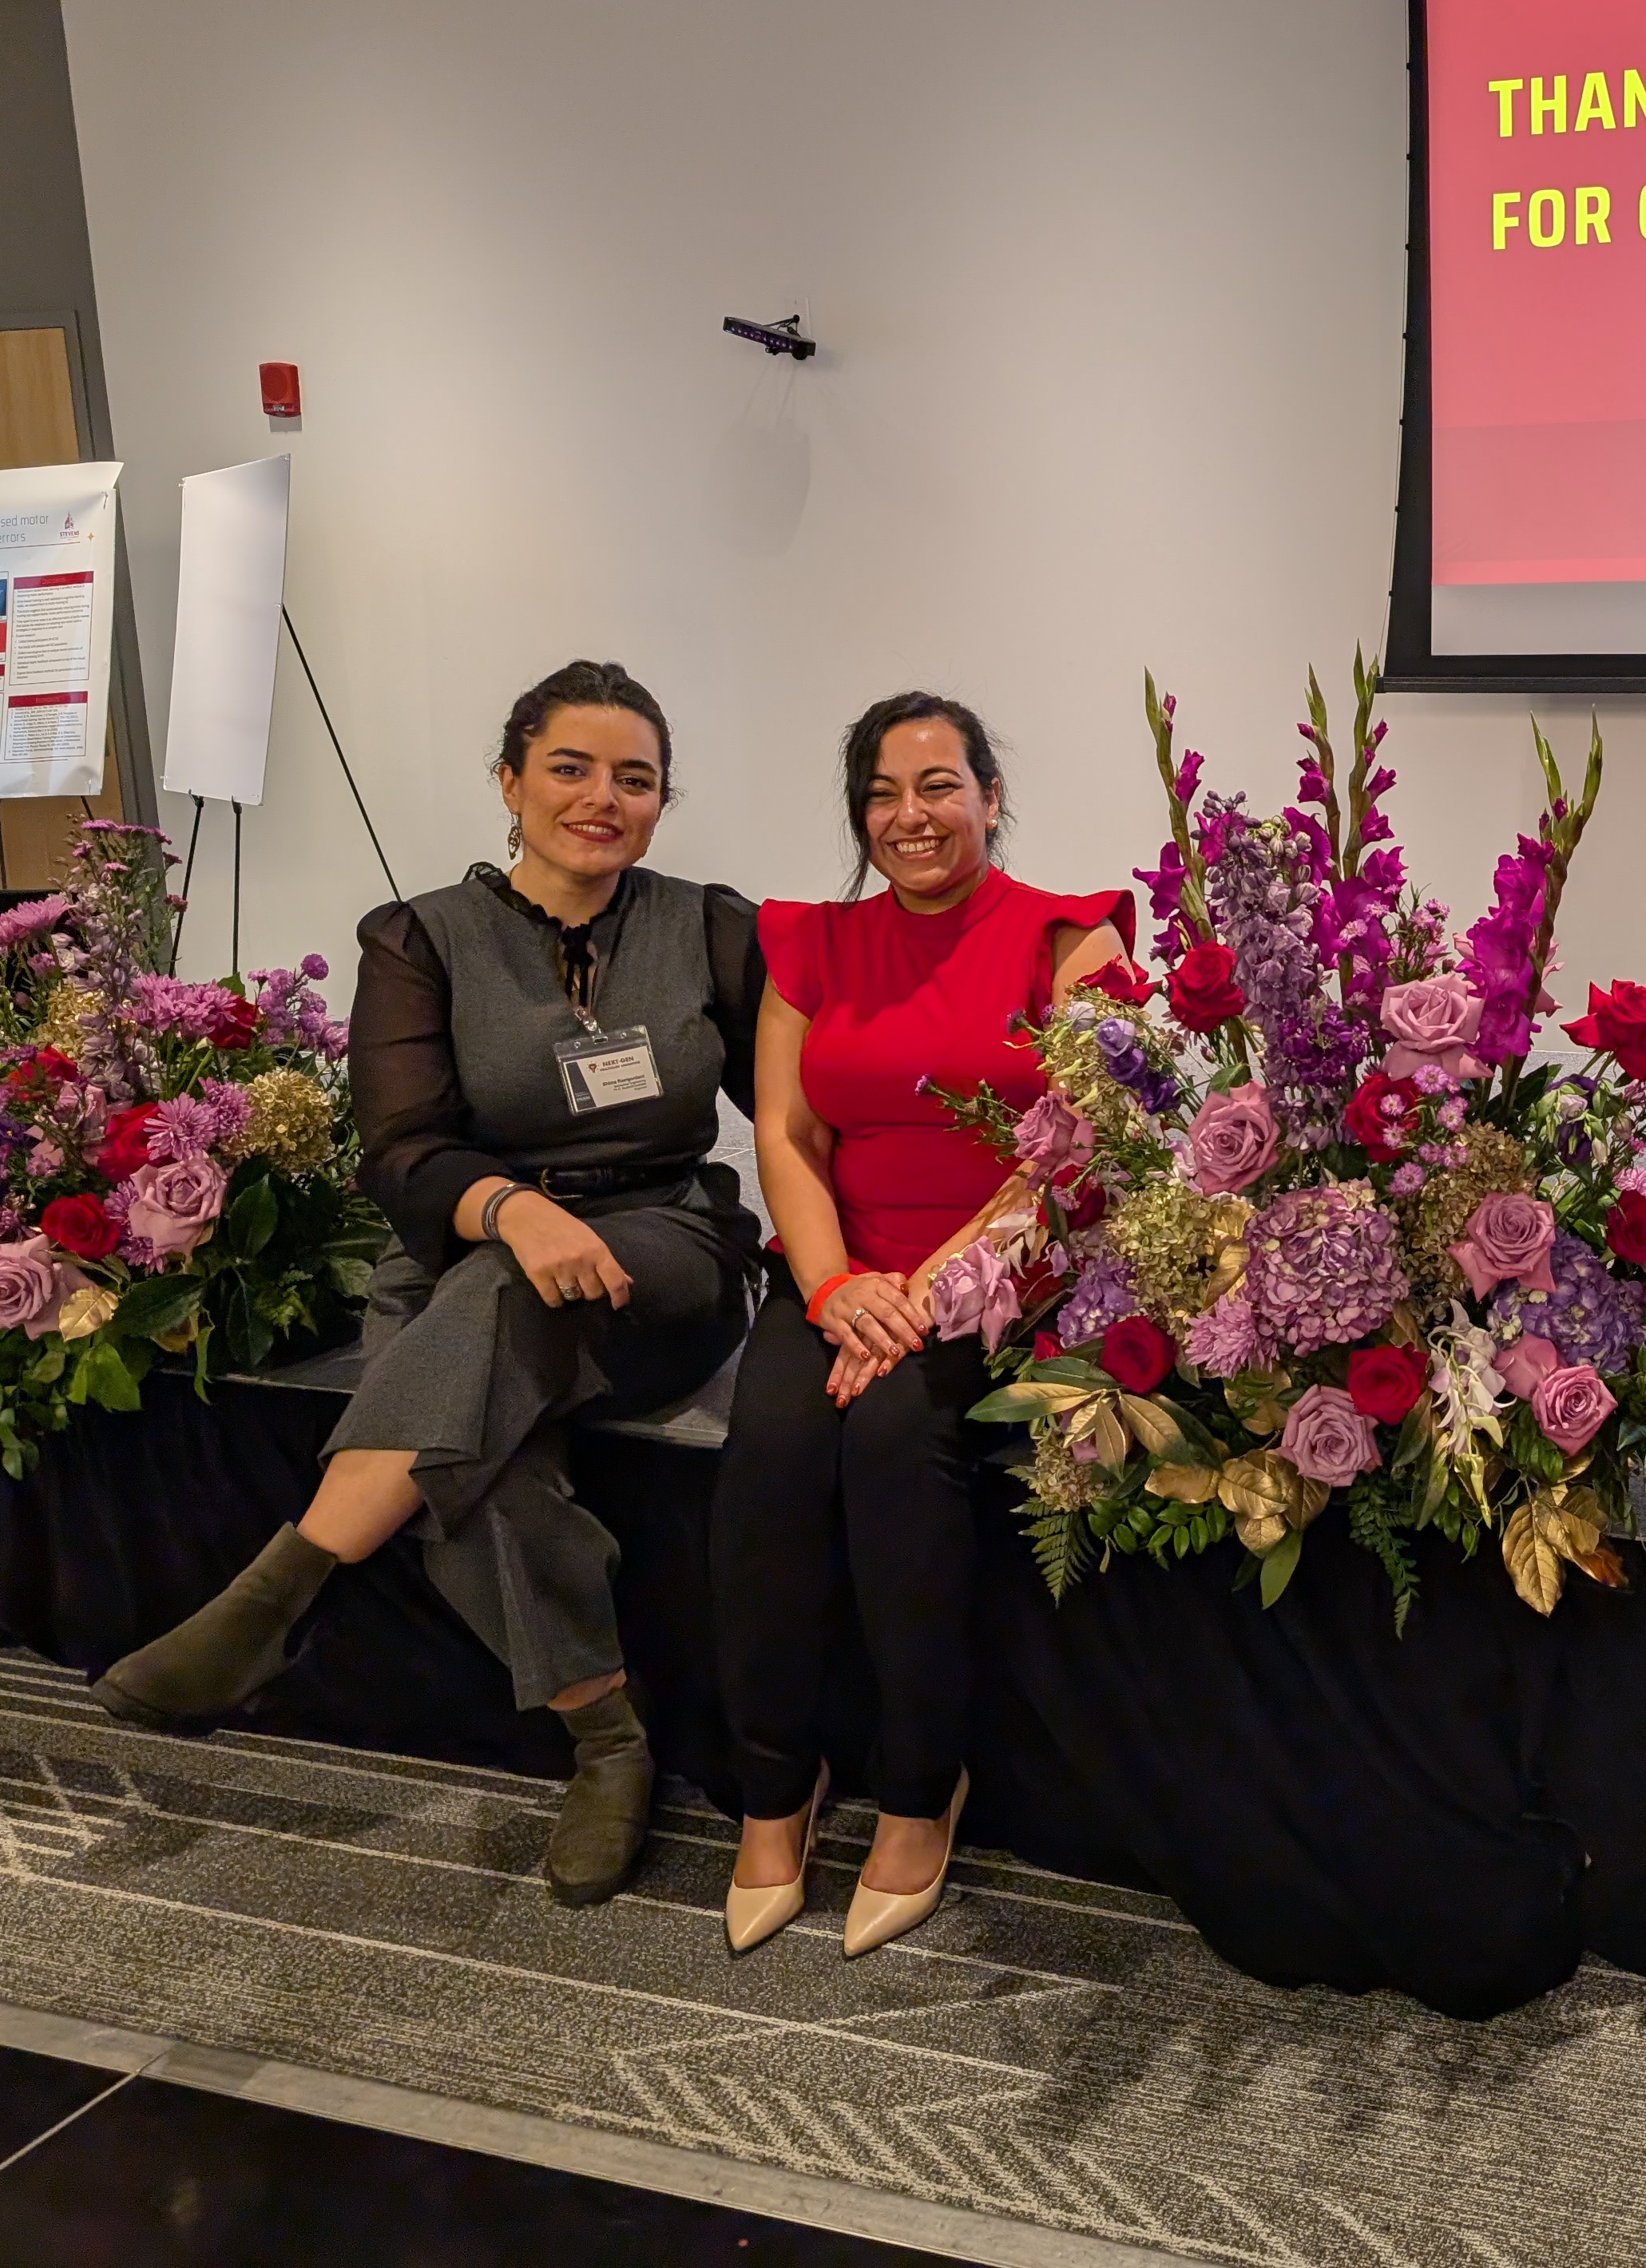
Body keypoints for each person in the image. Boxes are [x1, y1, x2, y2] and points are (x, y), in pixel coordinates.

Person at [93, 660, 765, 1907]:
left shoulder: (715, 929)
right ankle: (610, 1742)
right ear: (509, 782)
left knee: (499, 1312)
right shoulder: (419, 940)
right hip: (467, 1246)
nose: (603, 797)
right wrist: (512, 1209)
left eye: (635, 779)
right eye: (570, 768)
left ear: (663, 802)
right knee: (479, 1448)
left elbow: (799, 1107)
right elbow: (400, 1149)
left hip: (662, 1246)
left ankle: (279, 1593)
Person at [712, 692, 1129, 1960]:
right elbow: (787, 1131)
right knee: (772, 1446)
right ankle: (774, 1790)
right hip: (844, 1276)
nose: (911, 816)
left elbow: (1074, 1148)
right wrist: (837, 1291)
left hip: (1002, 1278)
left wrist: (927, 1295)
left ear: (990, 797)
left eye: (939, 785)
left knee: (896, 1443)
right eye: (883, 794)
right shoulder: (809, 941)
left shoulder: (1073, 938)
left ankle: (917, 1788)